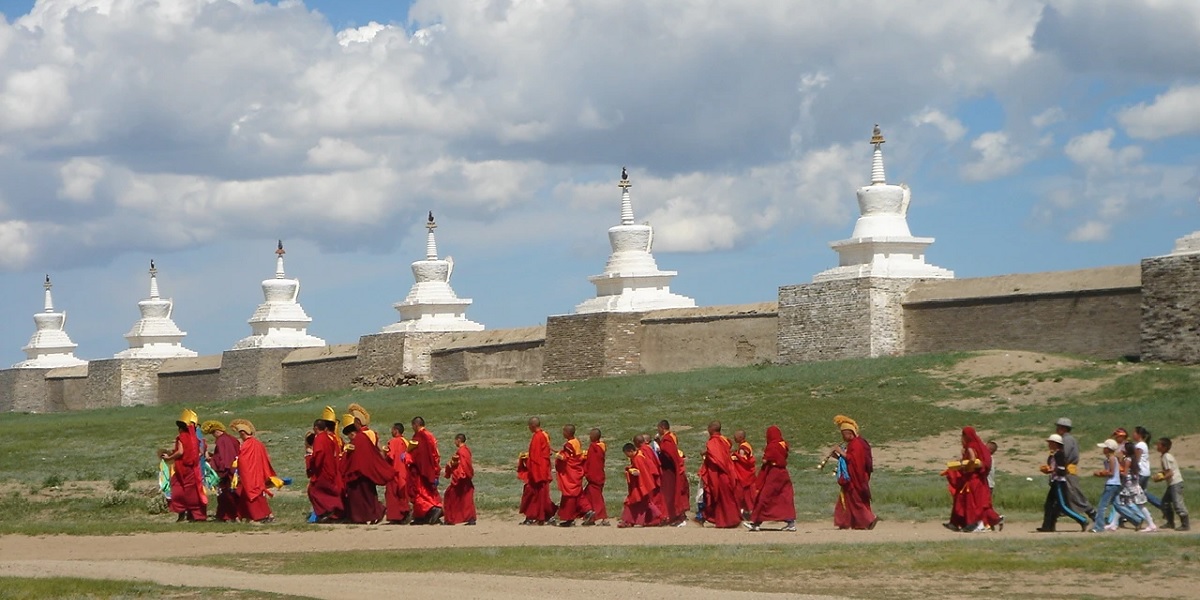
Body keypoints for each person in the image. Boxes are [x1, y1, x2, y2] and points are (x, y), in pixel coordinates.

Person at [943, 427, 1003, 533]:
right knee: (973, 502)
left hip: (972, 480)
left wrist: (964, 466)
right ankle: (958, 523)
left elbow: (972, 459)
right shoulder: (978, 446)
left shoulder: (971, 446)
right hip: (977, 480)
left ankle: (973, 523)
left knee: (971, 503)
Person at [340, 414, 393, 524]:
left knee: (362, 497)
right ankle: (374, 514)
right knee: (368, 497)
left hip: (360, 474)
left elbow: (359, 458)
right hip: (364, 473)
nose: (349, 437)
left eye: (349, 435)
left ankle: (372, 514)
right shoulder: (362, 438)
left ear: (351, 432)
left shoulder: (359, 439)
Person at [831, 415, 877, 530]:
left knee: (856, 500)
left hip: (856, 477)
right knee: (847, 499)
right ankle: (848, 522)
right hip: (852, 475)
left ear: (850, 433)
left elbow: (854, 460)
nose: (843, 437)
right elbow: (849, 461)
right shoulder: (853, 443)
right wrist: (837, 457)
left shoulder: (857, 444)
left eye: (844, 434)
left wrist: (840, 451)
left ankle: (869, 520)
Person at [746, 425, 796, 532]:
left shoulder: (772, 446)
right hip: (784, 473)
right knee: (784, 497)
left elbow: (766, 460)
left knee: (764, 496)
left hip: (774, 474)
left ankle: (756, 522)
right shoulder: (783, 444)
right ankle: (790, 522)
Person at [161, 409, 207, 522]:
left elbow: (181, 452)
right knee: (193, 491)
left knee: (178, 489)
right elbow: (200, 451)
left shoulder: (181, 437)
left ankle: (181, 514)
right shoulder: (194, 439)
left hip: (182, 467)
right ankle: (195, 514)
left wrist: (170, 457)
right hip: (193, 468)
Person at [229, 419, 278, 523]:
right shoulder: (258, 443)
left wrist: (237, 463)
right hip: (258, 473)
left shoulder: (247, 445)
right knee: (250, 495)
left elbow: (243, 460)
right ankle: (246, 515)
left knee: (252, 494)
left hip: (250, 474)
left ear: (243, 433)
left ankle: (262, 515)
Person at [1037, 434, 1088, 532]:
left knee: (1063, 506)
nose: (1049, 445)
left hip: (1059, 482)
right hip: (1055, 481)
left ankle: (1082, 520)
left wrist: (1051, 470)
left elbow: (1062, 470)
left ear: (1055, 444)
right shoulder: (1054, 454)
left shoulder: (1059, 454)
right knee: (1049, 505)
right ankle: (1047, 526)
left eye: (1050, 443)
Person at [1090, 439, 1143, 532]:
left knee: (1102, 506)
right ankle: (1137, 520)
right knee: (1118, 505)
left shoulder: (1111, 458)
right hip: (1115, 484)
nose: (1103, 450)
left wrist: (1100, 473)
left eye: (1104, 448)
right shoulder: (1112, 458)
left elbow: (1111, 472)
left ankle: (1098, 527)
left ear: (1108, 449)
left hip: (1111, 484)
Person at [699, 420, 741, 528]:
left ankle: (727, 521)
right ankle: (731, 519)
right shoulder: (724, 440)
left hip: (720, 473)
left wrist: (707, 456)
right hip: (729, 471)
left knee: (722, 497)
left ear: (711, 429)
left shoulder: (713, 442)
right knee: (728, 497)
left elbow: (717, 458)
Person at [306, 407, 344, 523]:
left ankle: (327, 511)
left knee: (314, 491)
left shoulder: (320, 439)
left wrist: (313, 465)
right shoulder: (330, 439)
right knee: (328, 491)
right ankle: (329, 511)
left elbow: (319, 454)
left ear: (316, 428)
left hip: (322, 470)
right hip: (331, 469)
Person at [1055, 418, 1095, 523]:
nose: (1056, 429)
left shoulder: (1066, 440)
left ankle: (1092, 513)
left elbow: (1065, 455)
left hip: (1068, 470)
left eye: (1058, 427)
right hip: (1068, 469)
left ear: (1063, 428)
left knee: (1075, 494)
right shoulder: (1070, 439)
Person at [519, 417, 556, 525]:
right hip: (541, 469)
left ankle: (546, 515)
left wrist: (527, 461)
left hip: (538, 471)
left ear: (532, 426)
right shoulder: (543, 435)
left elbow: (536, 457)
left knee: (539, 495)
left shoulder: (538, 437)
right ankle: (536, 516)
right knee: (535, 494)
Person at [203, 420, 240, 523]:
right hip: (236, 468)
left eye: (213, 433)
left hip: (226, 471)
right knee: (233, 494)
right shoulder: (232, 439)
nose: (213, 435)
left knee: (225, 495)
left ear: (217, 431)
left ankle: (229, 516)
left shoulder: (221, 440)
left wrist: (213, 462)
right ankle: (226, 515)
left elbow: (223, 458)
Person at [409, 416, 444, 525]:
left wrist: (408, 456)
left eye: (413, 426)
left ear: (416, 425)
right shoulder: (430, 435)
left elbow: (418, 454)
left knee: (421, 492)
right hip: (431, 467)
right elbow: (436, 454)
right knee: (430, 492)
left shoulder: (420, 436)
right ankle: (424, 516)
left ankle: (433, 509)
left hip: (421, 469)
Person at [554, 424, 590, 527]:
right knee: (578, 493)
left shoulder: (568, 445)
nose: (563, 433)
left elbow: (566, 458)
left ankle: (569, 518)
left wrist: (557, 456)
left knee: (570, 494)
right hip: (577, 469)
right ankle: (587, 510)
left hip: (570, 473)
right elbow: (576, 456)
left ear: (567, 433)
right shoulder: (576, 441)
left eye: (564, 431)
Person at [655, 420, 689, 526]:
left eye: (658, 428)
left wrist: (660, 447)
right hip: (670, 469)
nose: (658, 430)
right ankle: (671, 515)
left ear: (662, 427)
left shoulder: (668, 439)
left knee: (670, 493)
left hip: (669, 470)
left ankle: (675, 515)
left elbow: (669, 455)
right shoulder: (670, 437)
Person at [1117, 442, 1156, 532]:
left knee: (1130, 504)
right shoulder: (1133, 459)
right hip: (1134, 484)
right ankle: (1115, 523)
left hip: (1129, 485)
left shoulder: (1128, 460)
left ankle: (1149, 523)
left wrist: (1117, 472)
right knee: (1128, 503)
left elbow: (1125, 473)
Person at [619, 443, 660, 527]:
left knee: (631, 502)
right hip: (641, 484)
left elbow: (639, 473)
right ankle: (656, 518)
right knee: (643, 503)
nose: (627, 456)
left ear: (630, 451)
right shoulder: (637, 456)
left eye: (627, 454)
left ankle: (628, 521)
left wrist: (630, 471)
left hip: (641, 485)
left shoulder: (638, 458)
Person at [1154, 437, 1190, 531]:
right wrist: (1161, 473)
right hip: (1172, 484)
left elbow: (1170, 473)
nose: (1157, 446)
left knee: (1178, 503)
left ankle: (1185, 524)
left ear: (1164, 447)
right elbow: (1167, 471)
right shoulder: (1164, 456)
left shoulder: (1166, 456)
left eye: (1159, 444)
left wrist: (1160, 479)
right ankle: (1170, 523)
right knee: (1165, 502)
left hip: (1175, 483)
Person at [442, 433, 476, 525]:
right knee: (467, 499)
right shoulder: (467, 450)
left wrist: (450, 466)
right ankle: (470, 518)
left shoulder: (461, 452)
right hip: (467, 478)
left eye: (455, 440)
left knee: (450, 496)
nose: (454, 442)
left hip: (461, 478)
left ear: (458, 440)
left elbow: (462, 466)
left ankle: (450, 519)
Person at [634, 434, 667, 522]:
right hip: (654, 475)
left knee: (653, 498)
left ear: (637, 442)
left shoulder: (644, 450)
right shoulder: (648, 448)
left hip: (650, 476)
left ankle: (656, 519)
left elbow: (649, 465)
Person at [384, 423, 412, 524]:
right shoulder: (405, 441)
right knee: (403, 494)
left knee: (392, 494)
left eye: (392, 429)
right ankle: (405, 512)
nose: (391, 431)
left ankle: (396, 516)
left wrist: (384, 454)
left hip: (395, 470)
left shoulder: (393, 441)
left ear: (396, 431)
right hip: (404, 470)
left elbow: (390, 456)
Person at [582, 428, 609, 526]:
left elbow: (592, 463)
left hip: (595, 477)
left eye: (591, 435)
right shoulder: (600, 446)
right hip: (598, 475)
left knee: (597, 499)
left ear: (594, 436)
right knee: (588, 497)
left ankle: (603, 518)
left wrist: (585, 472)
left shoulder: (594, 447)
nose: (589, 436)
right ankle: (591, 518)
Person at [1132, 427, 1161, 509]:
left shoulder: (1140, 445)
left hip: (1140, 472)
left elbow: (1136, 459)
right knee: (1143, 493)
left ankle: (1135, 512)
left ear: (1139, 435)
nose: (1133, 434)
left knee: (1133, 493)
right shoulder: (1143, 444)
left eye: (1134, 433)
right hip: (1145, 472)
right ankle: (1162, 506)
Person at [732, 430, 756, 520]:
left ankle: (744, 513)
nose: (734, 438)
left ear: (741, 437)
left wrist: (732, 457)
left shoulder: (743, 447)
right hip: (748, 474)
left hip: (744, 474)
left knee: (743, 494)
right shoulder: (746, 445)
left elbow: (743, 460)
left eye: (736, 436)